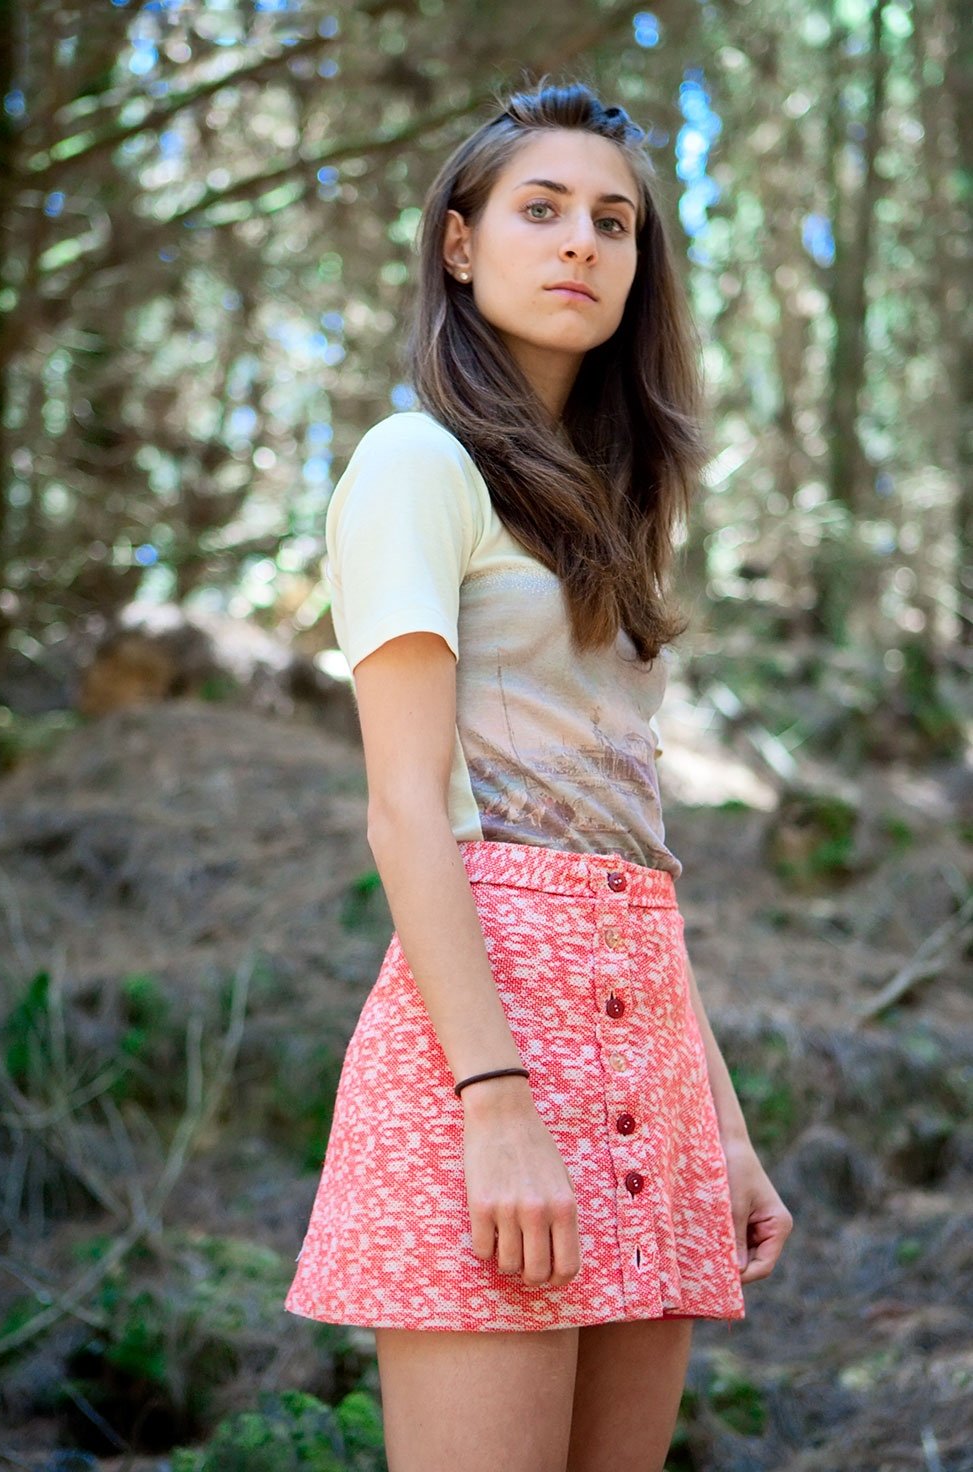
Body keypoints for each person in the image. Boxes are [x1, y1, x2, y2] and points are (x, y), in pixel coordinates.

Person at [285, 75, 793, 1472]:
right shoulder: (414, 464)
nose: (581, 242)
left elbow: (632, 850)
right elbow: (405, 812)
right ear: (460, 244)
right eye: (543, 209)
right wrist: (494, 1101)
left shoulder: (612, 518)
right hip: (484, 1048)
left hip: (648, 1048)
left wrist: (722, 1128)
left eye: (614, 223)